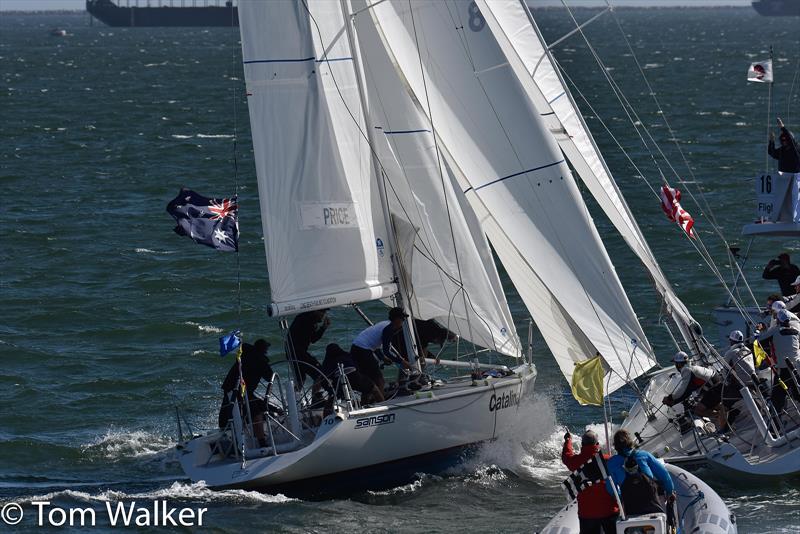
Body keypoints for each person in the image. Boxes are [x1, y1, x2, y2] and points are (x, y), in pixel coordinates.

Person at [606, 430, 674, 517]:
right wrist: (669, 492)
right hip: (653, 506)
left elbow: (611, 488)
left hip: (631, 509)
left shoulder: (611, 463)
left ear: (616, 446)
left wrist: (620, 498)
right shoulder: (644, 455)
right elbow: (665, 476)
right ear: (630, 442)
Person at [218, 339, 274, 445]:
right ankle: (261, 441)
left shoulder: (244, 355)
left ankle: (237, 430)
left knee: (228, 414)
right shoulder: (260, 360)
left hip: (231, 390)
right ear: (264, 350)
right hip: (242, 393)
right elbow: (269, 377)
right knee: (257, 412)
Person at [350, 307, 412, 402]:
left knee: (369, 381)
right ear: (396, 319)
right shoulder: (389, 328)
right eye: (402, 318)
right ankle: (381, 405)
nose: (403, 321)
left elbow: (375, 344)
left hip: (357, 348)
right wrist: (402, 362)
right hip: (363, 350)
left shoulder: (385, 324)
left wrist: (382, 358)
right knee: (380, 381)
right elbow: (386, 351)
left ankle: (365, 404)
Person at [562, 430, 619, 534]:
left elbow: (566, 456)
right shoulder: (609, 460)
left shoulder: (575, 462)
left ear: (582, 444)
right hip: (610, 510)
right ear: (597, 444)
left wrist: (568, 440)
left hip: (587, 514)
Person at [758, 309, 800, 414]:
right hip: (797, 366)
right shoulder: (797, 331)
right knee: (797, 392)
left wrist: (758, 331)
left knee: (777, 398)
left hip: (783, 369)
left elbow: (759, 342)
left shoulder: (775, 331)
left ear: (778, 320)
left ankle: (774, 427)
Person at [661, 351, 719, 417]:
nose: (675, 365)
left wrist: (670, 398)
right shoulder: (691, 367)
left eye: (675, 363)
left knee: (698, 410)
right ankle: (719, 411)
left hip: (714, 388)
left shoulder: (686, 370)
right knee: (702, 402)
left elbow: (683, 390)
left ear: (679, 364)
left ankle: (720, 417)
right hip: (715, 383)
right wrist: (675, 401)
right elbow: (688, 390)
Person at [719, 330, 756, 432]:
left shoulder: (730, 353)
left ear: (731, 341)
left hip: (741, 386)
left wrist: (725, 384)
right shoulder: (748, 350)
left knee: (724, 406)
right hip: (753, 383)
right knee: (735, 403)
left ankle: (723, 430)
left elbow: (725, 373)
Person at [287, 309, 330, 387]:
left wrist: (323, 327)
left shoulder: (306, 318)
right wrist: (323, 328)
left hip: (292, 353)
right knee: (320, 374)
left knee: (300, 379)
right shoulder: (308, 320)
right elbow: (313, 339)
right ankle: (315, 397)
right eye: (322, 312)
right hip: (298, 353)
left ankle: (294, 397)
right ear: (315, 311)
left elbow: (312, 339)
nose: (324, 315)